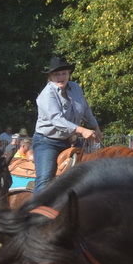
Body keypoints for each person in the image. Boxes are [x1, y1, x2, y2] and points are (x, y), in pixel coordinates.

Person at [31, 55, 100, 192]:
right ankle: (37, 210)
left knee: (91, 172)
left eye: (64, 73)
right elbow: (57, 120)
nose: (61, 77)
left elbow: (85, 109)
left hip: (71, 141)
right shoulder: (47, 94)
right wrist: (82, 130)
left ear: (69, 74)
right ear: (50, 76)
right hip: (47, 142)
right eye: (57, 74)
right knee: (45, 180)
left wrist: (96, 127)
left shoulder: (76, 88)